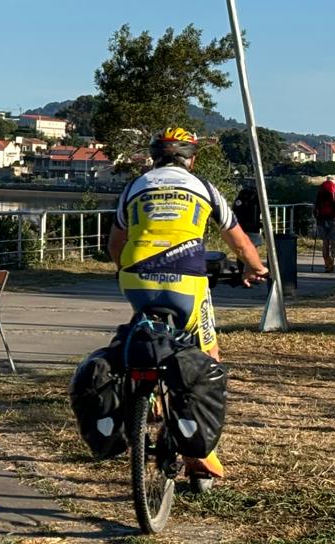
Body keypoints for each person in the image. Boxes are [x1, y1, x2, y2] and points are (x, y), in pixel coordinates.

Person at [106, 128, 267, 489]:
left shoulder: (136, 186)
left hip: (136, 280)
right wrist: (255, 268)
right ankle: (199, 459)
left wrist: (125, 270)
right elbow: (239, 242)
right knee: (206, 356)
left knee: (144, 338)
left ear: (154, 157)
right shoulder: (204, 188)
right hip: (186, 282)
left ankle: (144, 403)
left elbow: (115, 243)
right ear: (191, 158)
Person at [314, 177, 335, 272]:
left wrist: (317, 218)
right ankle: (332, 259)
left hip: (322, 221)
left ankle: (326, 263)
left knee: (325, 243)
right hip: (334, 221)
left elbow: (314, 209)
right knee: (334, 242)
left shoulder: (319, 195)